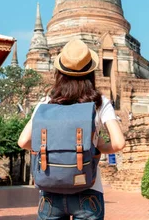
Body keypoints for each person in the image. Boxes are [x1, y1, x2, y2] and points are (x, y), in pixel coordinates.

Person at [18, 39, 126, 220]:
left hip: (50, 191)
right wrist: (98, 145)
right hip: (88, 189)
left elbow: (23, 142)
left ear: (60, 72)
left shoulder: (47, 102)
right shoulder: (100, 102)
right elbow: (118, 143)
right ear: (91, 72)